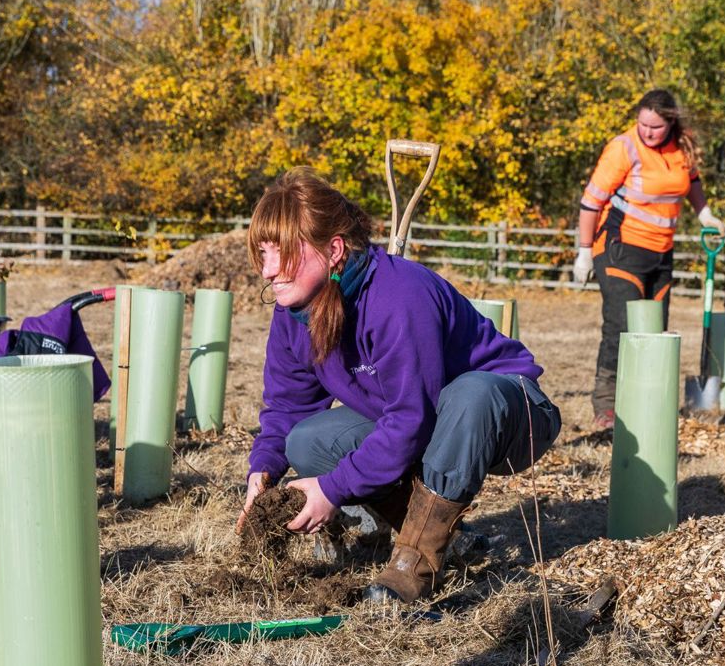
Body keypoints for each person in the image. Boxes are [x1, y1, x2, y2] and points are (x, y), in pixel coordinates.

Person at [237, 168, 562, 604]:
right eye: (263, 252)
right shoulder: (294, 314)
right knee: (306, 441)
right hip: (424, 420)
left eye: (283, 252)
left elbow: (410, 419)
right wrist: (263, 471)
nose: (268, 270)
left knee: (471, 394)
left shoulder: (397, 296)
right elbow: (287, 408)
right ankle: (454, 541)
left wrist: (333, 489)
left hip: (509, 414)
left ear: (333, 250)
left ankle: (416, 562)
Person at [572, 89, 725, 429]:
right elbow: (591, 202)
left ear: (670, 123)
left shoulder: (682, 146)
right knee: (622, 327)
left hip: (660, 252)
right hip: (619, 248)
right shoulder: (623, 148)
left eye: (655, 127)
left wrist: (705, 215)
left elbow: (693, 182)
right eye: (642, 124)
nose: (647, 132)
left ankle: (647, 402)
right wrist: (584, 251)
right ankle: (607, 406)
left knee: (655, 331)